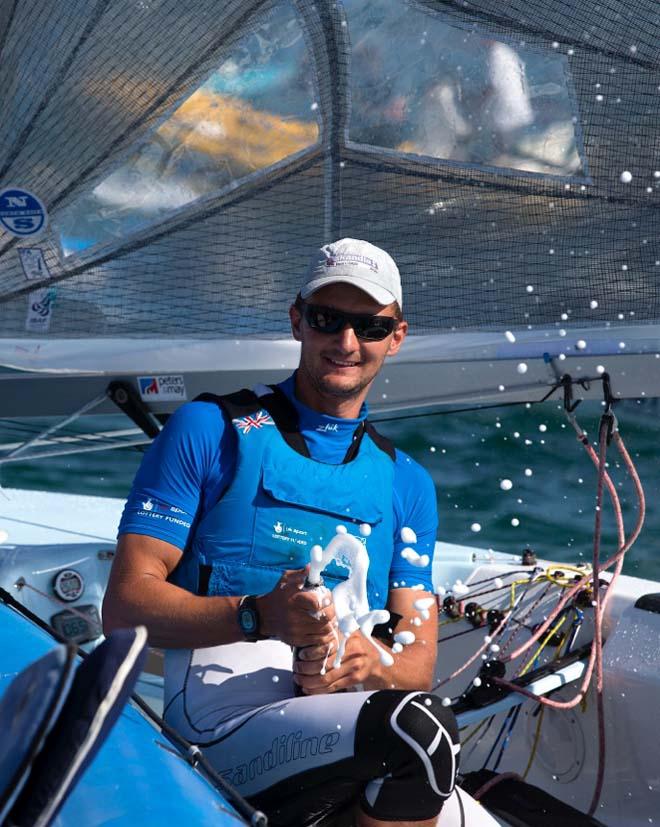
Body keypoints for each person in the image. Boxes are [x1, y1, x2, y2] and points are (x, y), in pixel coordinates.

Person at [103, 238, 460, 827]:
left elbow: (415, 663)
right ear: (298, 320)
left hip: (351, 728)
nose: (346, 343)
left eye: (369, 327)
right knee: (419, 734)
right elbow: (123, 608)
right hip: (218, 724)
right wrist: (259, 616)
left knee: (432, 754)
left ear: (395, 337)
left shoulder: (407, 482)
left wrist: (371, 663)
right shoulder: (208, 428)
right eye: (328, 320)